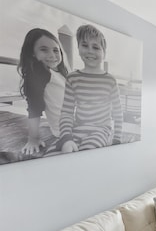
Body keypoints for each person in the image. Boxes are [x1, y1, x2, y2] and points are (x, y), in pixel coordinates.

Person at [57, 24, 123, 153]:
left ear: (104, 53)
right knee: (56, 152)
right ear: (78, 47)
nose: (90, 51)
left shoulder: (110, 80)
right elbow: (66, 112)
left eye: (96, 47)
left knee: (88, 151)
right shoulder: (72, 78)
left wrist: (117, 139)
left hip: (101, 129)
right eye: (85, 45)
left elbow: (118, 112)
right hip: (77, 128)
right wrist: (66, 137)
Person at [17, 28, 69, 156]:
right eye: (44, 49)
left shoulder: (58, 73)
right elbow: (34, 108)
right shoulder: (38, 73)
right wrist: (33, 139)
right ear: (32, 53)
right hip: (67, 129)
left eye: (56, 50)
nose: (52, 55)